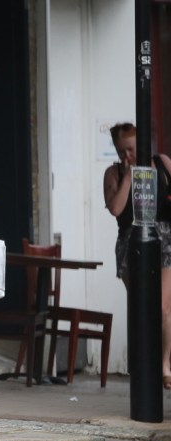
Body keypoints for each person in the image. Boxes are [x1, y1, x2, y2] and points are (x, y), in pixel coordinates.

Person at [103, 122, 171, 390]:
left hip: (165, 238)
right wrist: (129, 175)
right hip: (132, 241)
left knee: (164, 307)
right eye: (121, 151)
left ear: (142, 144)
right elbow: (116, 208)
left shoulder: (162, 162)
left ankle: (165, 364)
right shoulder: (114, 173)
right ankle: (146, 364)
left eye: (130, 149)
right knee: (142, 307)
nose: (126, 156)